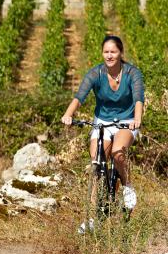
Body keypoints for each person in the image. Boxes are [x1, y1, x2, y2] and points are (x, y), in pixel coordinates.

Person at [61, 34, 144, 231]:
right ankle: (91, 218)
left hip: (126, 120)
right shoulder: (95, 73)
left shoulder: (132, 73)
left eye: (113, 51)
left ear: (120, 53)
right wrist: (68, 114)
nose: (109, 55)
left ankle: (127, 187)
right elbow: (79, 96)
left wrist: (137, 119)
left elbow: (138, 97)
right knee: (96, 163)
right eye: (106, 52)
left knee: (118, 153)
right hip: (102, 121)